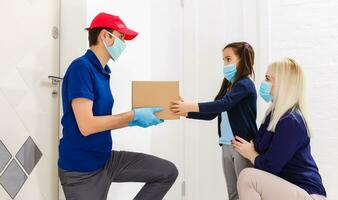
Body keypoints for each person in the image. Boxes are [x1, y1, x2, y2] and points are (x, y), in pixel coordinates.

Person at [58, 12, 178, 200]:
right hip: (81, 170)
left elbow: (103, 120)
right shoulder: (81, 67)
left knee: (167, 172)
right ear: (105, 35)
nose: (124, 43)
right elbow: (87, 125)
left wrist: (134, 120)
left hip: (105, 158)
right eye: (121, 37)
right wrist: (132, 115)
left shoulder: (103, 71)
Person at [170, 42, 258, 200]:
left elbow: (224, 104)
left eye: (228, 59)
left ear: (242, 59)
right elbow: (214, 112)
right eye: (223, 60)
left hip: (241, 145)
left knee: (245, 193)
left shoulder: (245, 84)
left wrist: (189, 105)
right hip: (226, 144)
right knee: (233, 193)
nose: (225, 64)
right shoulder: (229, 85)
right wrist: (186, 112)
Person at [233, 58, 327, 200]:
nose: (263, 83)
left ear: (283, 84)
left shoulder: (291, 120)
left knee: (248, 177)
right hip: (289, 189)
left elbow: (271, 166)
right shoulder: (273, 115)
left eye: (268, 78)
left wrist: (251, 153)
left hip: (308, 194)